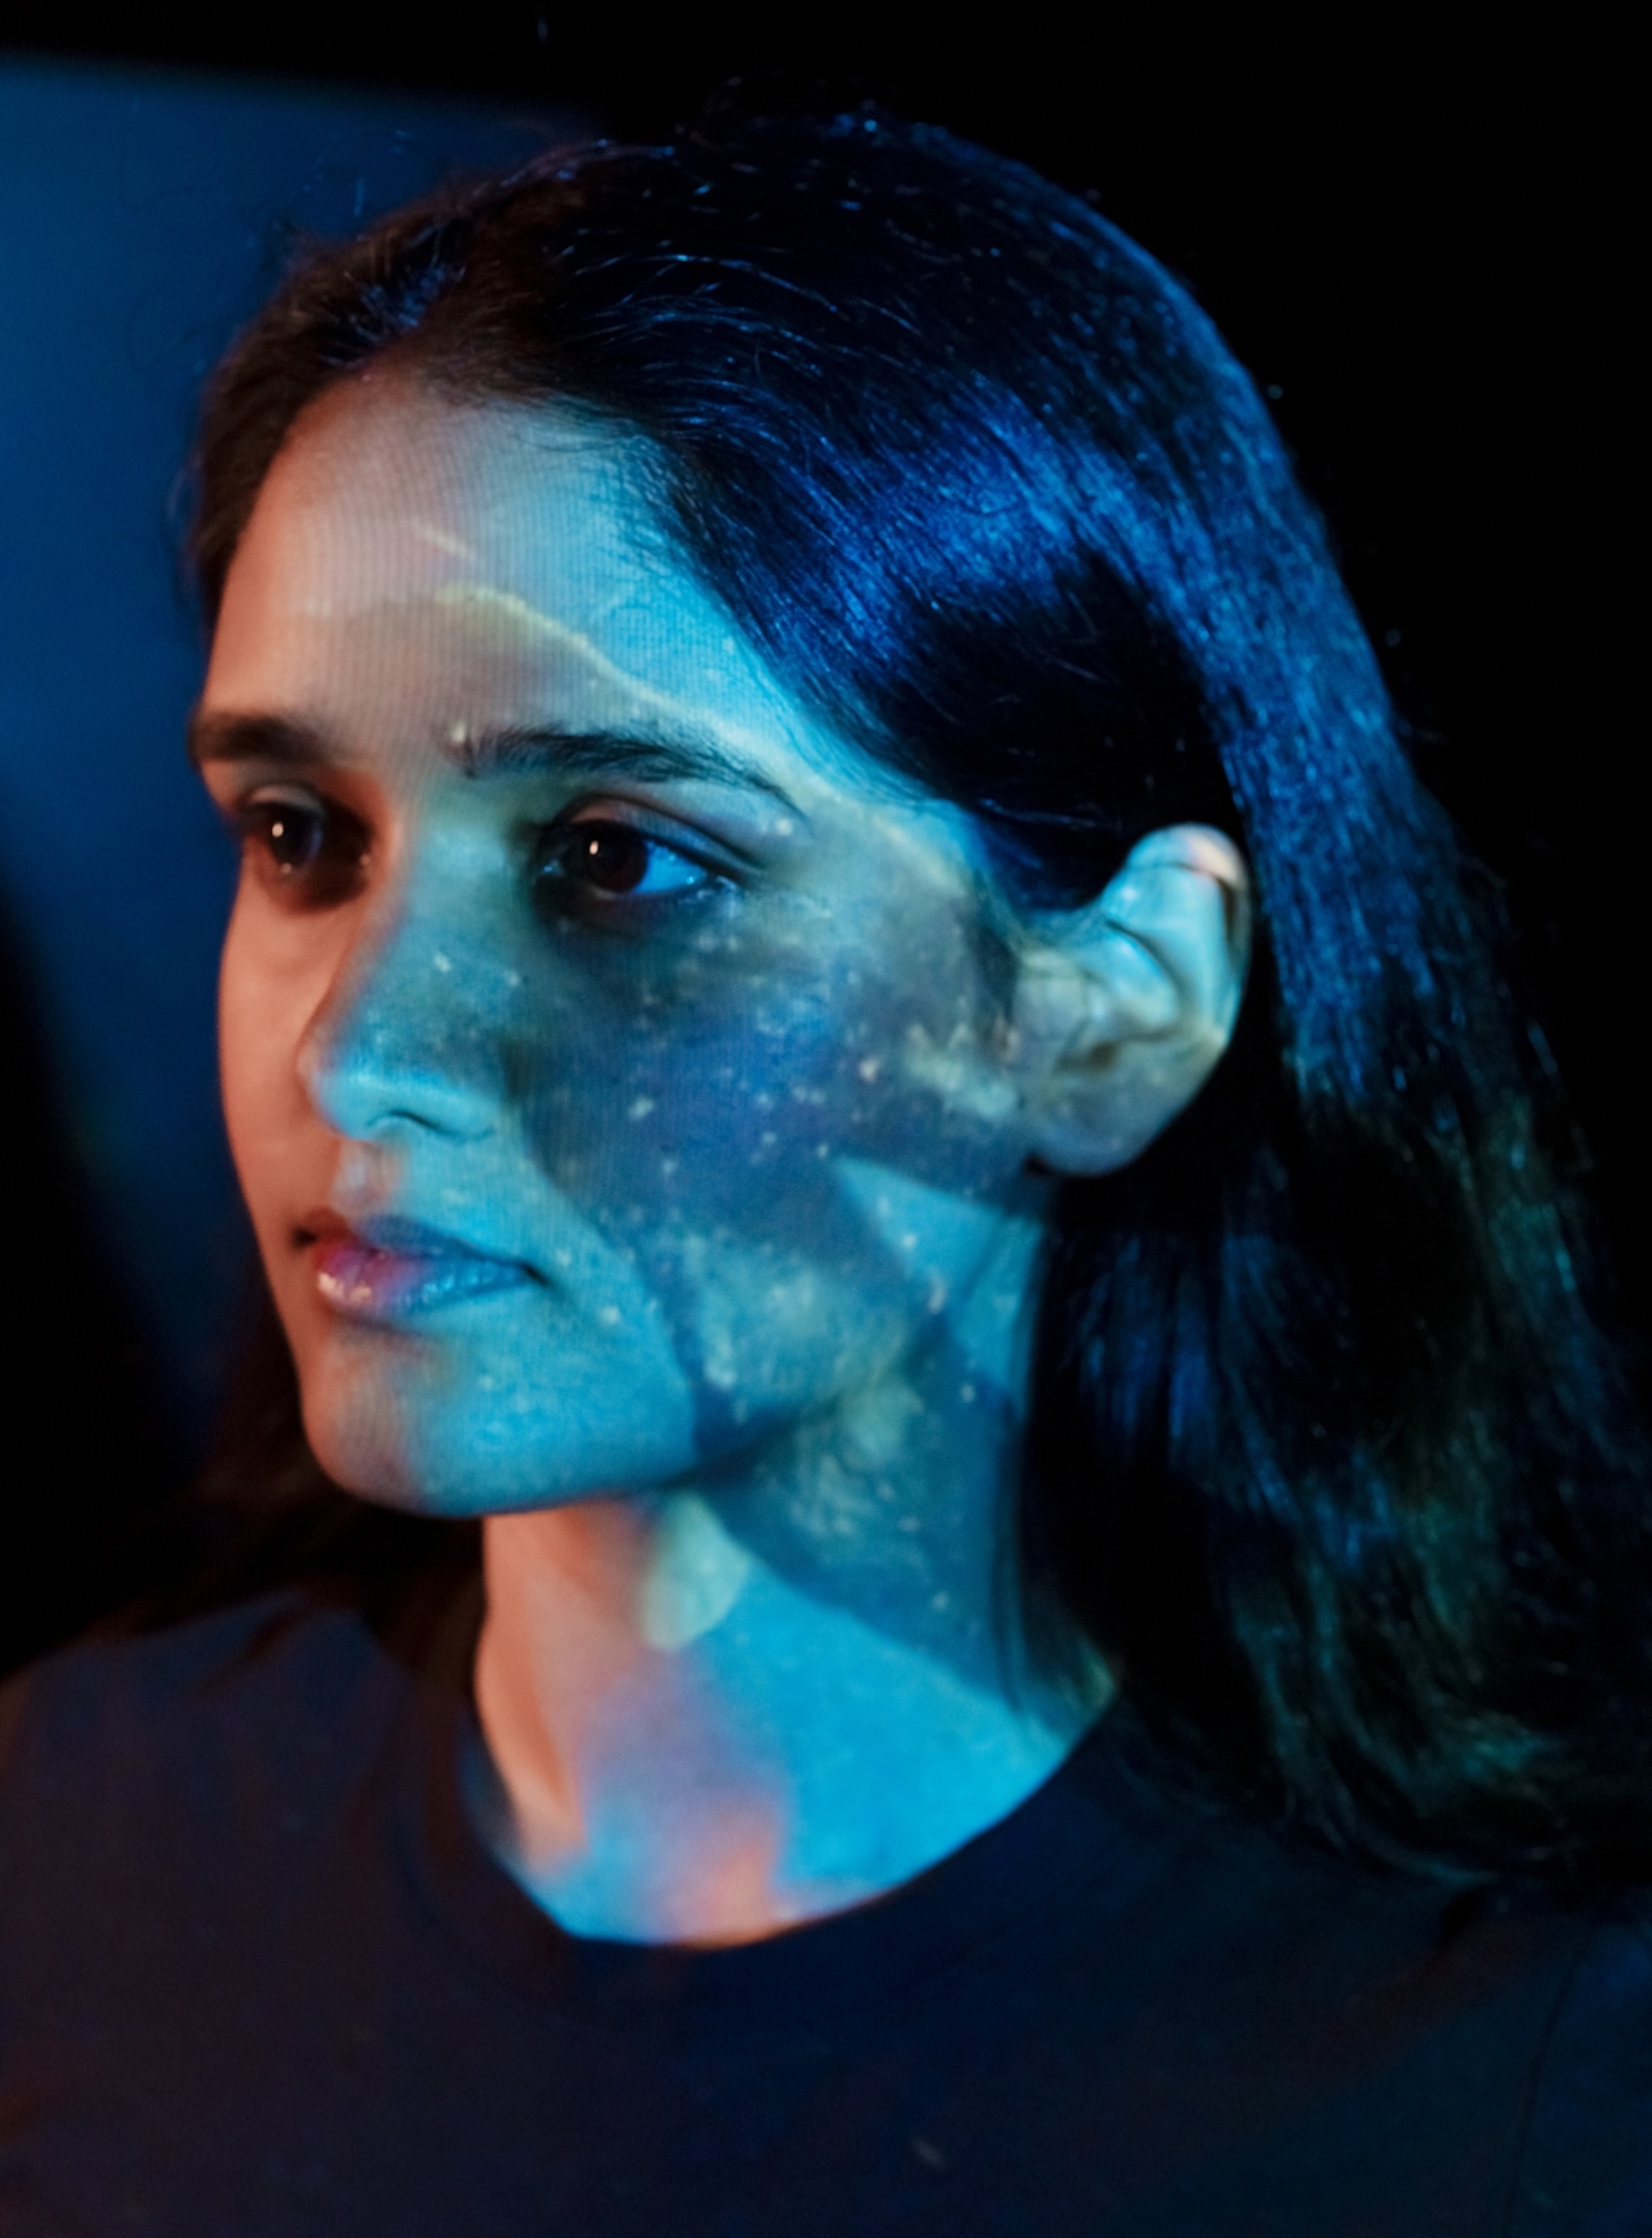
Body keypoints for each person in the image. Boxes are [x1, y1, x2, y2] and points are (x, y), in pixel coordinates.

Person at [1, 97, 1649, 2234]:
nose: (364, 1042)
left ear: (1111, 1006)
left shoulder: (1522, 2087)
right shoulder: (66, 1855)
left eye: (617, 862)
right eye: (301, 835)